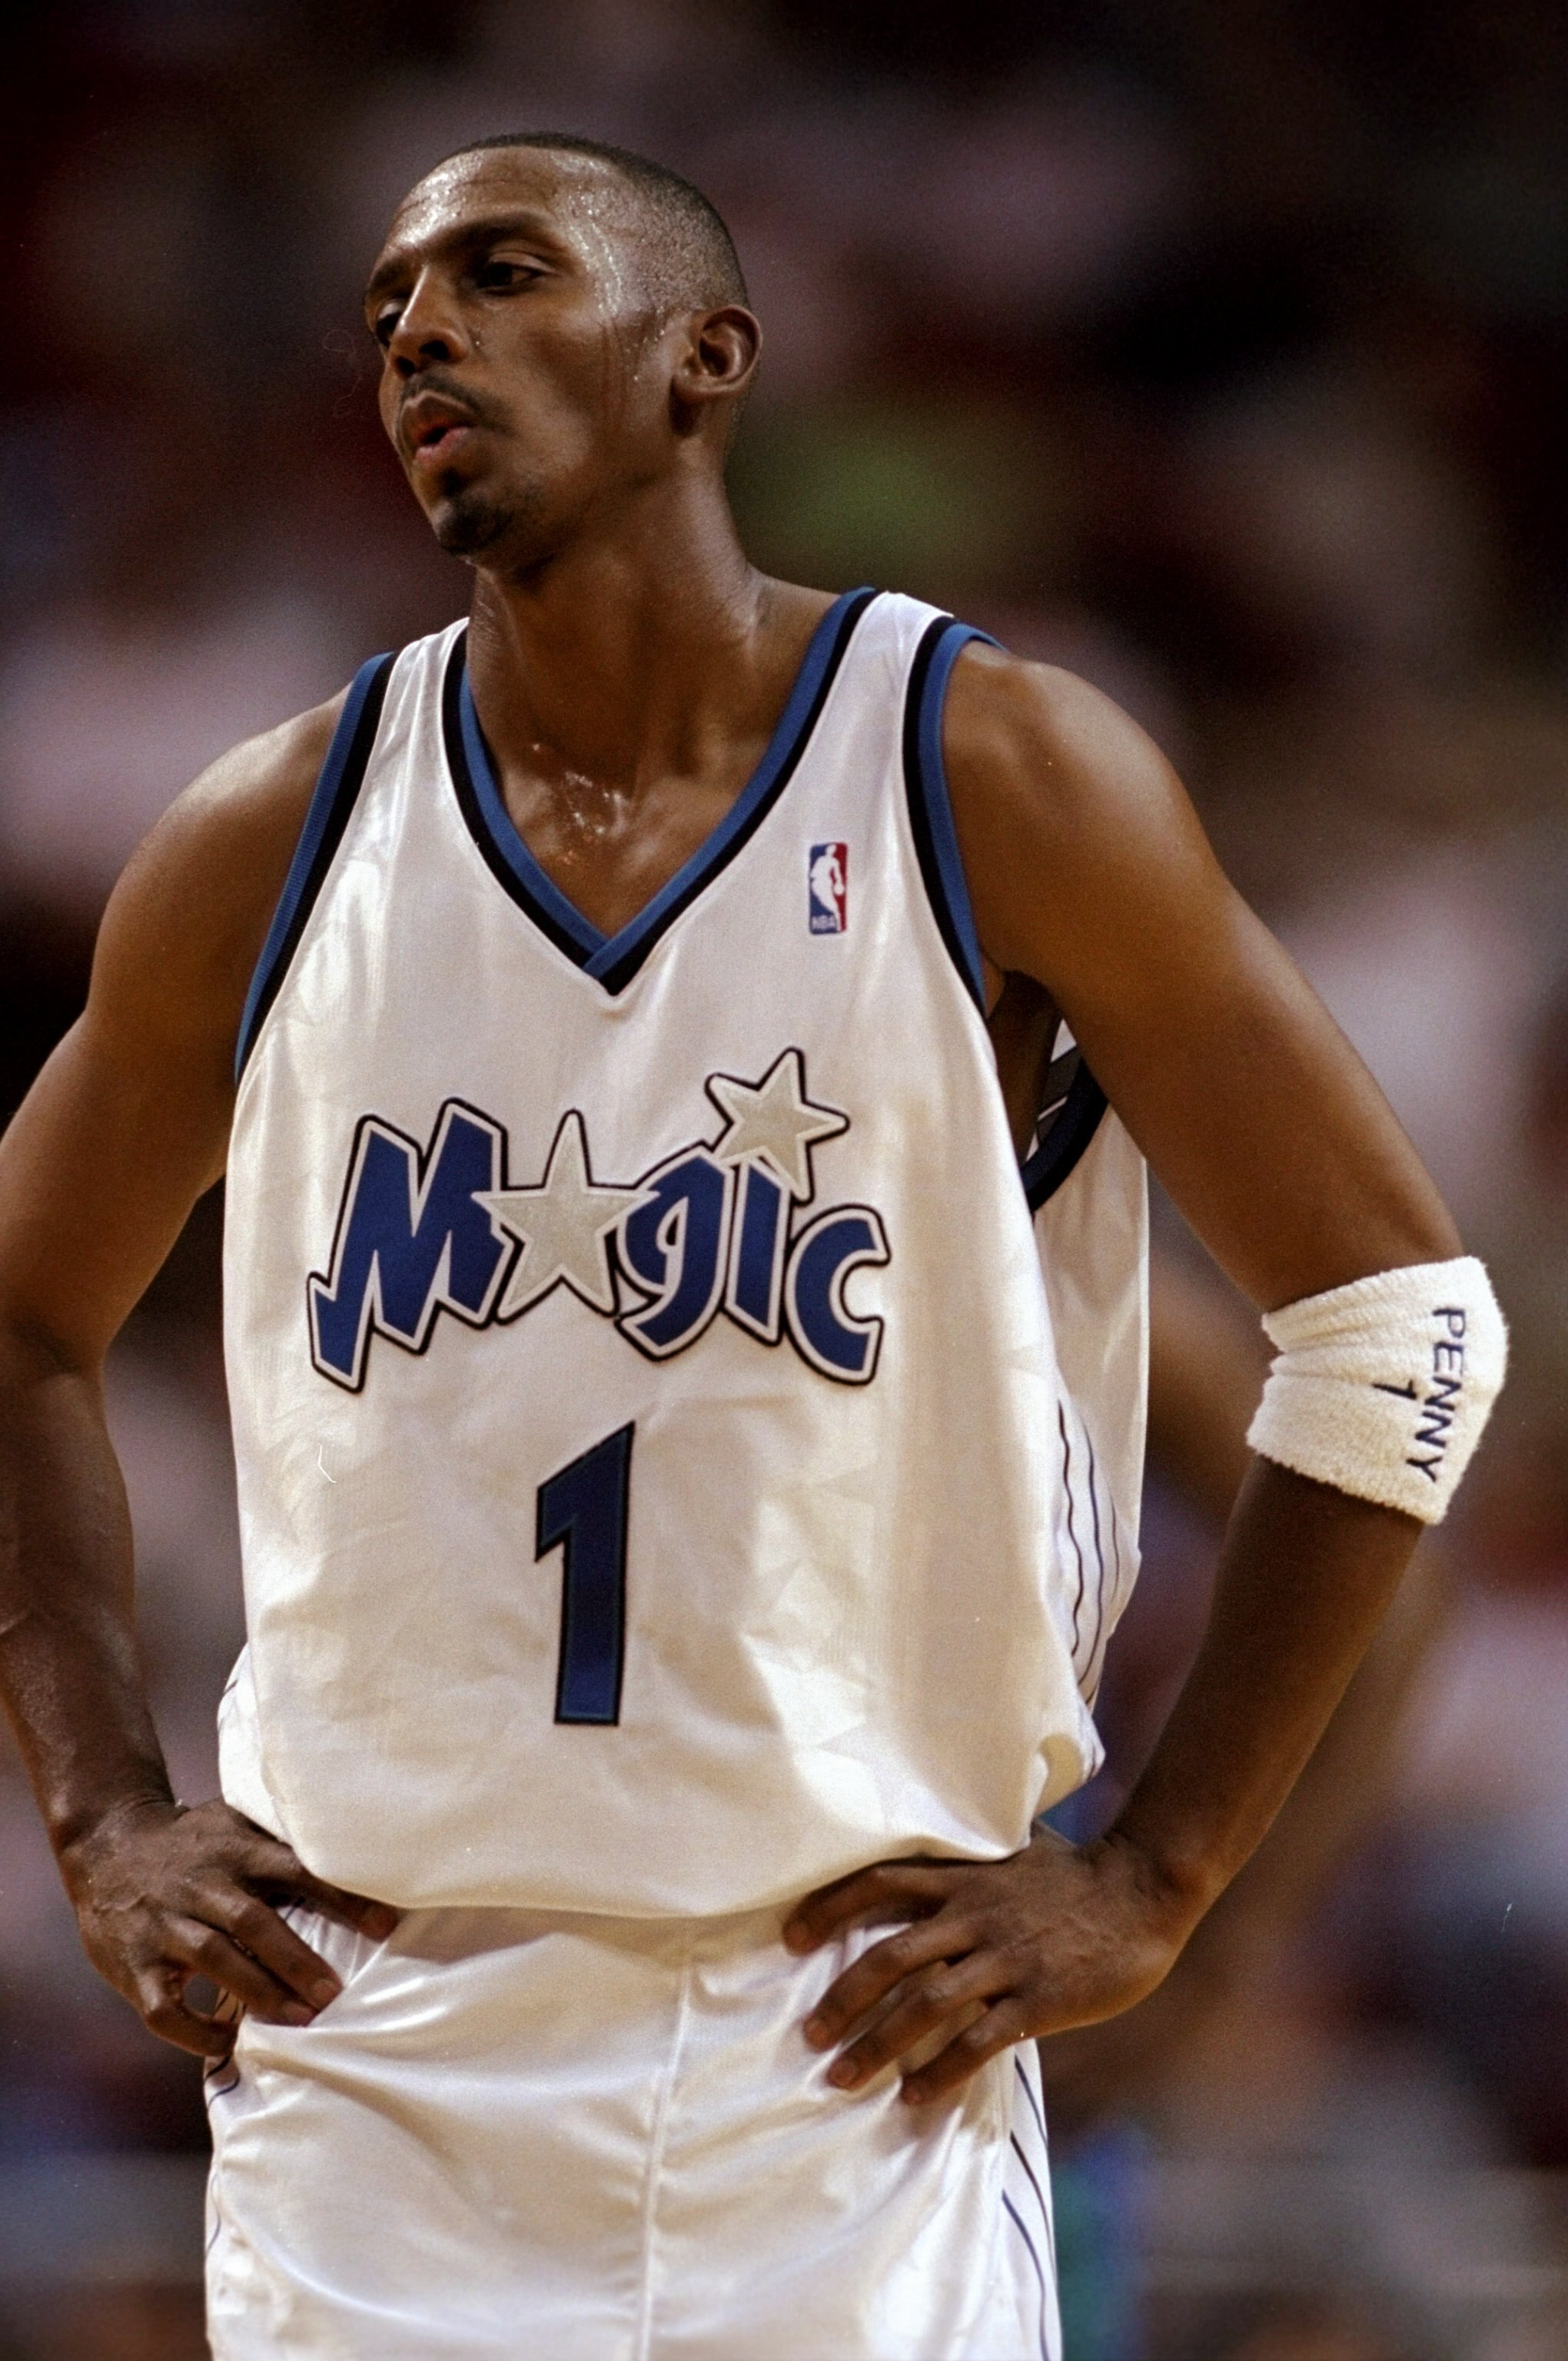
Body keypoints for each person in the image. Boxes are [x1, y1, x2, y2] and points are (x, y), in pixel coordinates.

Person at [0, 133, 1506, 2360]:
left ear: (705, 362)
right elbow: (24, 1317)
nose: (421, 329)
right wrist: (102, 1805)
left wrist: (1160, 1883)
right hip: (375, 2040)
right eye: (392, 303)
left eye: (503, 273)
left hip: (849, 2043)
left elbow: (1402, 1332)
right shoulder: (265, 837)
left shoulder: (991, 771)